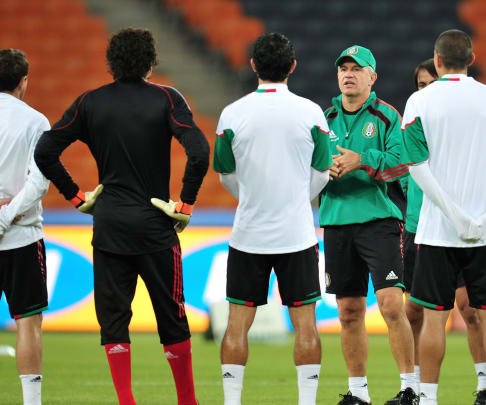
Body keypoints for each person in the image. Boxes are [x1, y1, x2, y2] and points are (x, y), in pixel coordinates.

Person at [34, 28, 209, 405]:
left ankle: (126, 402)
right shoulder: (166, 98)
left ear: (112, 62)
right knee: (172, 317)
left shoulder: (90, 102)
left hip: (110, 225)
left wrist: (77, 196)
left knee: (114, 321)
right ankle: (187, 401)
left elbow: (45, 151)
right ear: (151, 61)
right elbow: (199, 152)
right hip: (156, 227)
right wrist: (186, 204)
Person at [401, 29, 486, 405]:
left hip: (438, 232)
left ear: (437, 61)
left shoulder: (420, 101)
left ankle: (429, 398)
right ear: (472, 59)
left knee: (435, 318)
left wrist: (452, 215)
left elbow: (417, 166)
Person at [213, 32, 332, 405]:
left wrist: (251, 197)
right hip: (297, 234)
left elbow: (224, 173)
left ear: (253, 66)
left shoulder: (232, 114)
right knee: (306, 325)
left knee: (236, 325)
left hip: (248, 234)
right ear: (292, 67)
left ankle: (233, 402)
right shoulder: (311, 112)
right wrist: (297, 195)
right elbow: (324, 171)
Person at [320, 45, 417, 405]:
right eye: (343, 68)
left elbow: (400, 163)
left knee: (392, 306)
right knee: (348, 312)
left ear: (372, 77)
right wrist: (321, 171)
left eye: (356, 69)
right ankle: (358, 394)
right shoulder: (323, 119)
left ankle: (410, 388)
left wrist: (362, 160)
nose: (348, 74)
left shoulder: (387, 116)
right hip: (336, 221)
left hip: (378, 220)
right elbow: (306, 165)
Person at [0, 48, 50, 405]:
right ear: (23, 82)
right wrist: (6, 215)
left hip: (14, 231)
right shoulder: (36, 121)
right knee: (28, 323)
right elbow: (39, 183)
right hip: (21, 235)